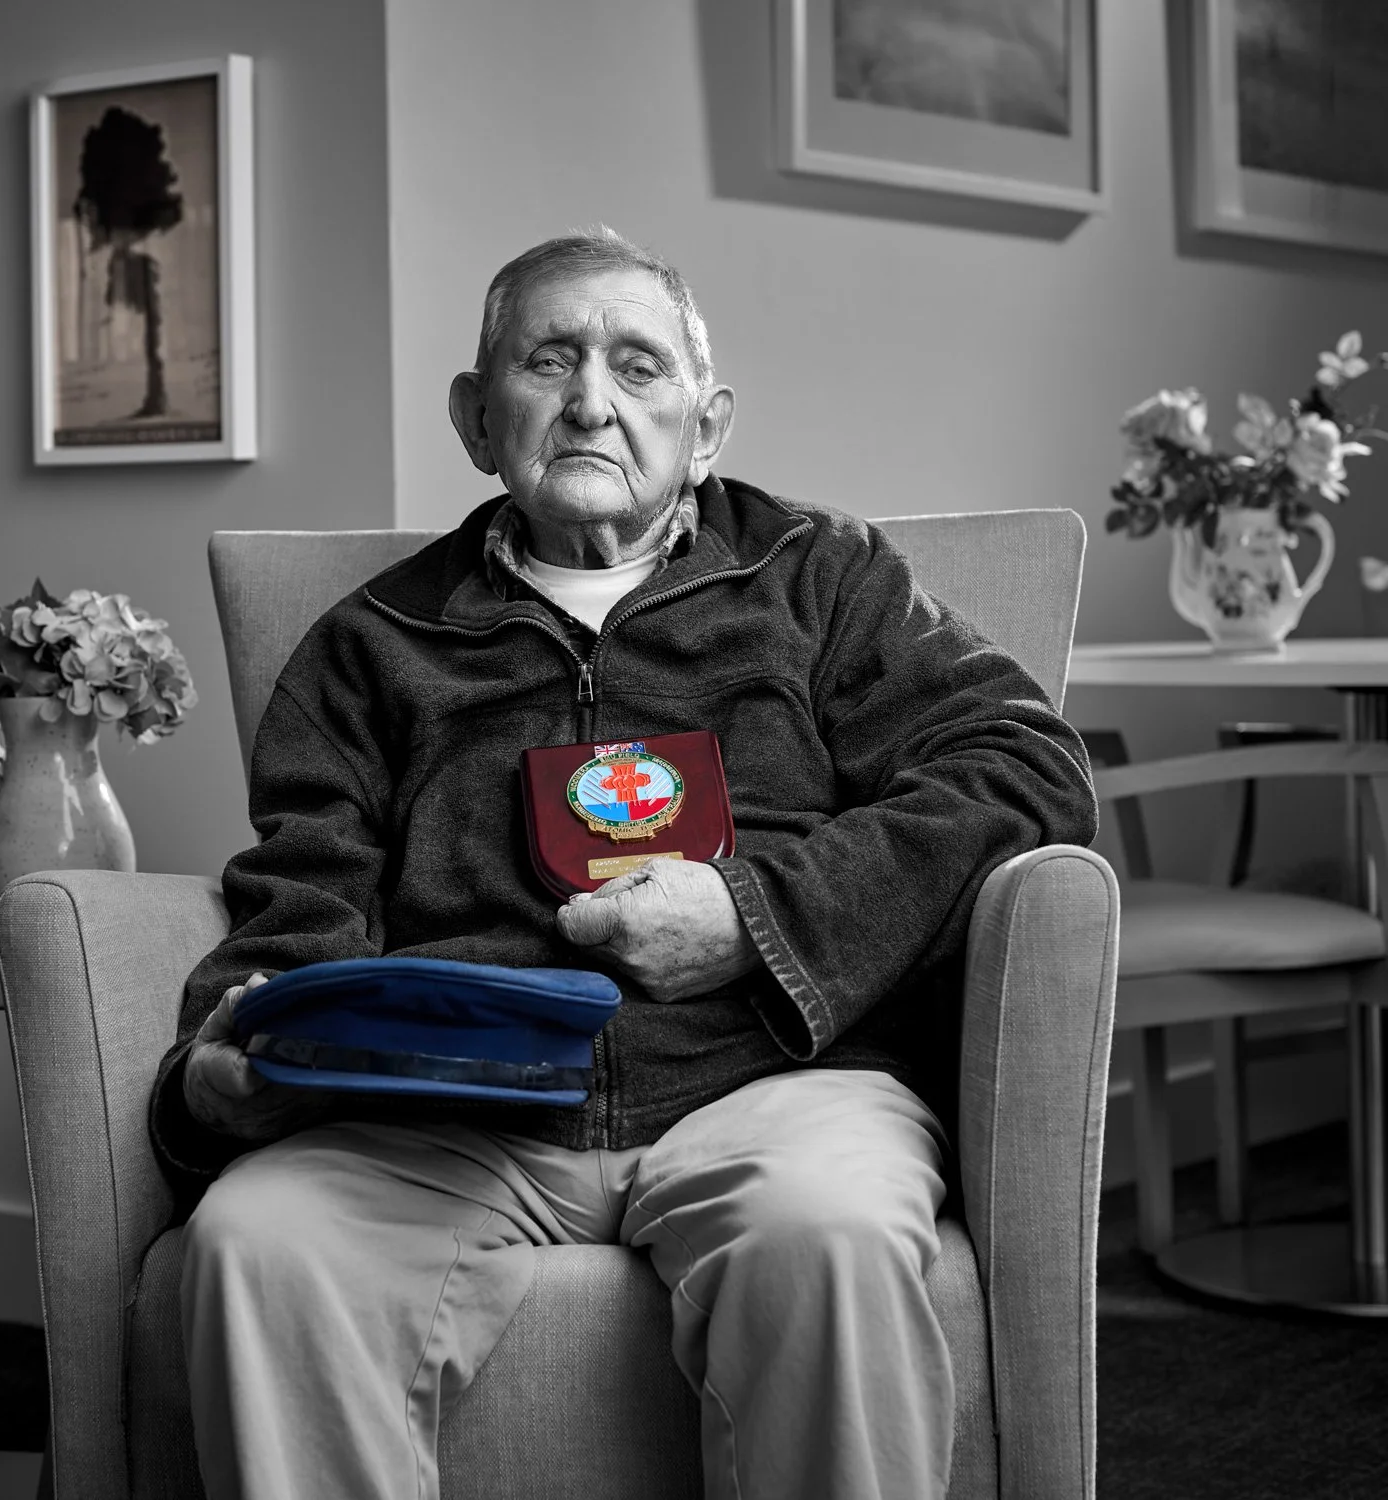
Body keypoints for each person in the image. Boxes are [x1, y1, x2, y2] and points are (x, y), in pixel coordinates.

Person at [147, 227, 1098, 1500]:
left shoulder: (819, 579)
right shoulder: (371, 644)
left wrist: (754, 916)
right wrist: (229, 1067)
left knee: (823, 1234)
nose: (592, 399)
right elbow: (300, 894)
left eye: (637, 366)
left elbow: (1024, 764)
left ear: (705, 428)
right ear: (476, 419)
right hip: (454, 1109)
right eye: (549, 359)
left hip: (772, 1074)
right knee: (257, 1241)